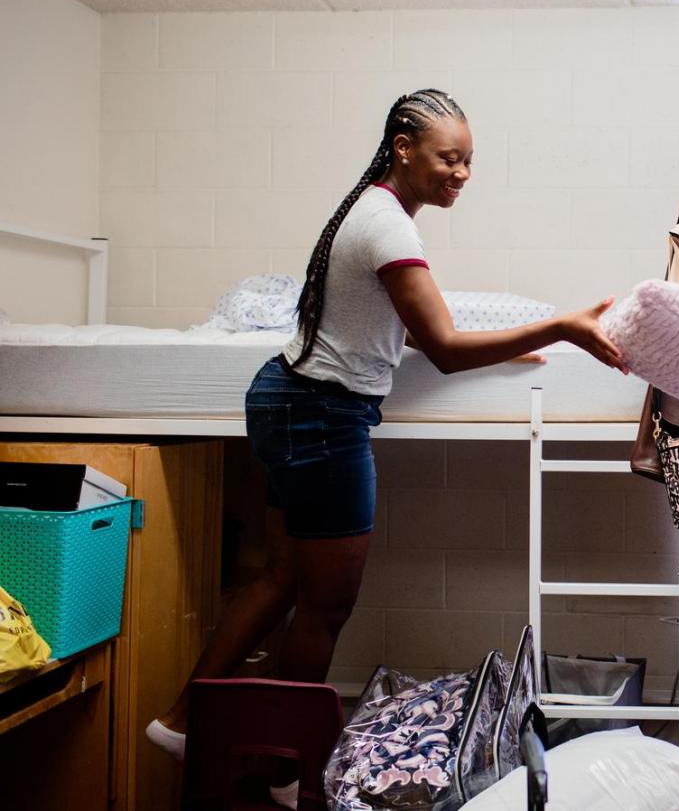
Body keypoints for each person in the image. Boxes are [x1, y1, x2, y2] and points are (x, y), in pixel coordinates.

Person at [145, 89, 626, 806]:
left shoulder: (371, 210)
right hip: (321, 420)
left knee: (279, 579)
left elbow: (422, 333)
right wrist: (559, 327)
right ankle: (284, 770)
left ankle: (187, 721)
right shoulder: (389, 227)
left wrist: (507, 350)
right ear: (404, 147)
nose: (461, 172)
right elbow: (443, 345)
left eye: (469, 160)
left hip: (285, 401)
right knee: (325, 606)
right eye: (447, 157)